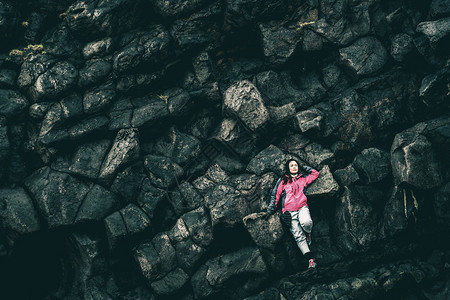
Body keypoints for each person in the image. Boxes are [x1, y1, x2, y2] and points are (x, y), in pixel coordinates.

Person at [267, 158, 320, 269]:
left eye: (296, 165)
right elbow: (275, 194)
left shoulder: (303, 179)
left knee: (306, 222)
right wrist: (271, 209)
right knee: (298, 236)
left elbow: (315, 174)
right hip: (288, 212)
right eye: (291, 165)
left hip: (302, 207)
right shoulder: (283, 180)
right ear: (288, 168)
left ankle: (308, 233)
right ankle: (311, 260)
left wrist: (305, 168)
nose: (294, 167)